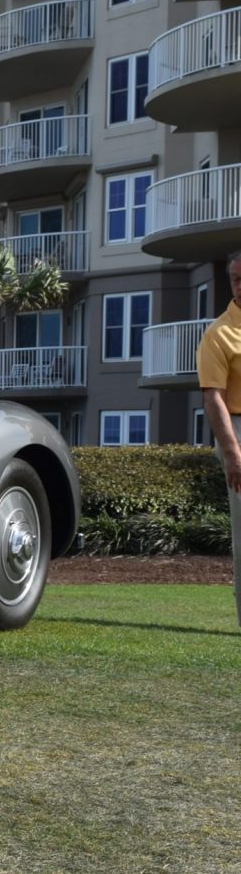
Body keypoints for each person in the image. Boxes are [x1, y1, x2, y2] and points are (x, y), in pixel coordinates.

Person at [196, 250, 241, 629]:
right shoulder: (219, 333)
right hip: (238, 432)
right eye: (236, 278)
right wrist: (232, 454)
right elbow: (213, 397)